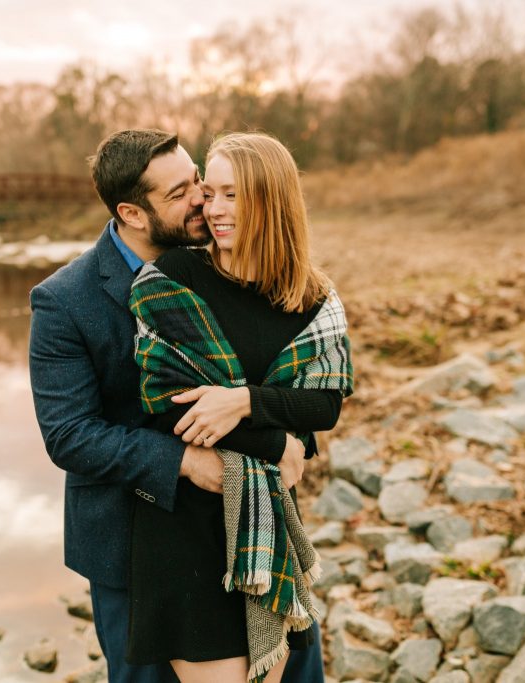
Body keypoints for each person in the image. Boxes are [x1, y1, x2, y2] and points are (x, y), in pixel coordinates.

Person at [29, 129, 327, 683]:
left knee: (295, 670)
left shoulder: (232, 260)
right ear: (131, 213)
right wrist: (188, 462)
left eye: (198, 180)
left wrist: (289, 440)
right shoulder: (64, 301)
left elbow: (283, 370)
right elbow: (69, 434)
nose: (202, 200)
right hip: (132, 545)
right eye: (180, 193)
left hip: (257, 521)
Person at [126, 132, 353, 683]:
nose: (214, 209)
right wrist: (275, 442)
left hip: (268, 525)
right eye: (210, 193)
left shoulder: (311, 297)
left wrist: (243, 401)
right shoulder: (173, 279)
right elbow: (169, 405)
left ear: (272, 201)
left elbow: (323, 406)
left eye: (233, 195)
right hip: (186, 528)